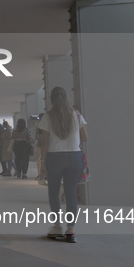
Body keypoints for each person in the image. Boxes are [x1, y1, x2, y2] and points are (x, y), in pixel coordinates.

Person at [39, 87, 88, 243]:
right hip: (74, 157)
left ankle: (57, 227)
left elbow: (45, 142)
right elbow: (85, 137)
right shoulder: (76, 114)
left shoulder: (47, 117)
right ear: (66, 98)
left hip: (54, 157)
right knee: (71, 193)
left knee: (53, 192)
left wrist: (42, 162)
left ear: (52, 99)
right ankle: (71, 230)